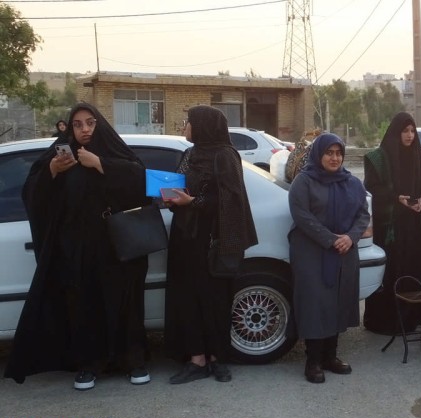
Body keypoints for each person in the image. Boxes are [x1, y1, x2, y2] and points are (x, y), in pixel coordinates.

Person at [4, 102, 150, 390]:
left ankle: (133, 361)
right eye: (78, 124)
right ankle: (89, 365)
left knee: (125, 304)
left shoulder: (112, 151)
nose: (85, 129)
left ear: (99, 124)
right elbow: (32, 192)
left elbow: (140, 179)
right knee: (85, 306)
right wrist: (52, 170)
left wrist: (101, 164)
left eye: (90, 122)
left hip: (119, 246)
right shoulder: (61, 155)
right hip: (79, 249)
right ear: (70, 128)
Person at [163, 105, 258, 384]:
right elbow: (181, 185)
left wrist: (194, 202)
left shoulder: (225, 155)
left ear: (203, 125)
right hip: (186, 238)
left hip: (213, 241)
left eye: (189, 121)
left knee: (215, 300)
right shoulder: (190, 154)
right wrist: (169, 196)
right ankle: (197, 360)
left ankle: (218, 359)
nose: (185, 126)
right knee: (188, 299)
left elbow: (232, 199)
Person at [288, 133, 369, 383]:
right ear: (318, 154)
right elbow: (301, 215)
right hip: (312, 251)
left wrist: (350, 238)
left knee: (338, 302)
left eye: (338, 153)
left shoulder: (352, 183)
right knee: (315, 303)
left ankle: (330, 356)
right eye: (329, 153)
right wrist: (331, 239)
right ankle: (313, 360)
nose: (335, 158)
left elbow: (363, 215)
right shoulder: (304, 181)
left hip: (344, 251)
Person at [363, 112, 421, 335]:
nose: (410, 135)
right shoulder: (379, 158)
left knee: (413, 268)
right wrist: (396, 198)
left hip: (414, 227)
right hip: (390, 230)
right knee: (392, 271)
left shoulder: (417, 156)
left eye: (412, 131)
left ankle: (412, 317)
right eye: (405, 131)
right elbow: (372, 188)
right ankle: (386, 320)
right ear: (396, 132)